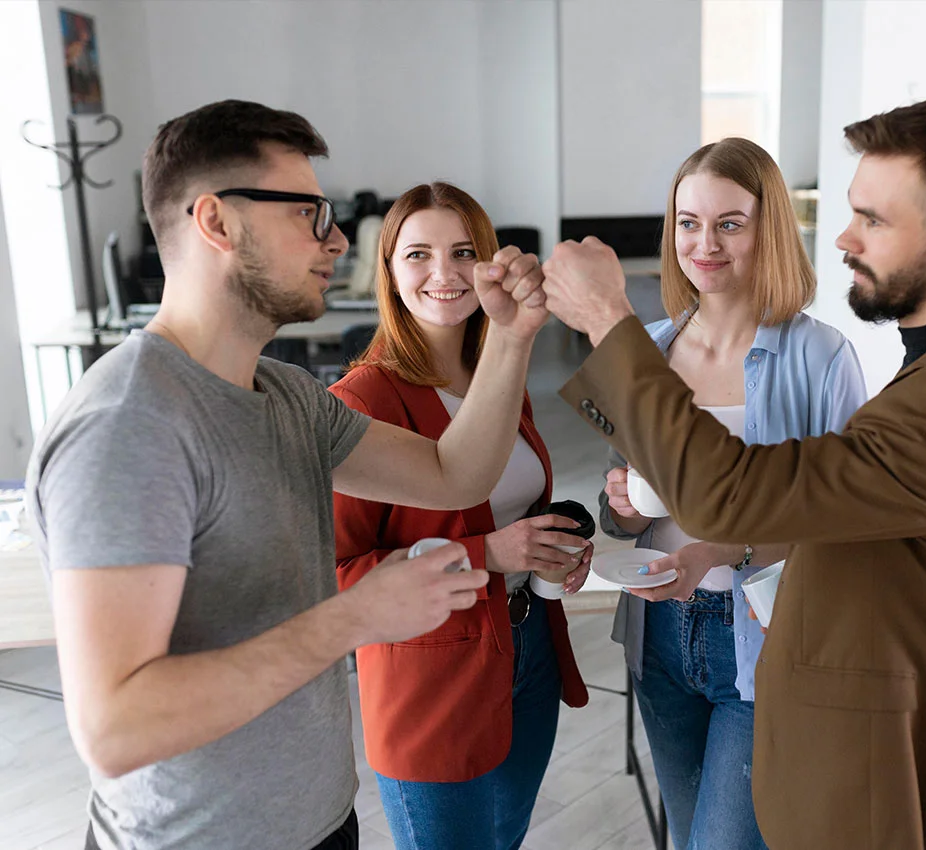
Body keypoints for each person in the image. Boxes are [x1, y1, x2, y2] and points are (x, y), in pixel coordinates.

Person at [541, 93, 926, 849]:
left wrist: (605, 320)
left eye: (873, 219)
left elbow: (730, 495)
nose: (845, 238)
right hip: (857, 732)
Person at [26, 100, 550, 850]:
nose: (335, 239)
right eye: (309, 213)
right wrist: (357, 615)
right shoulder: (129, 425)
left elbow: (454, 473)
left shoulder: (288, 395)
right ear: (216, 222)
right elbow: (115, 729)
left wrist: (510, 336)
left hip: (321, 821)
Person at [597, 138, 867, 849]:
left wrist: (725, 549)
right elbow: (621, 514)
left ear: (767, 228)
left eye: (729, 224)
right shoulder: (647, 350)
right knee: (688, 835)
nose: (704, 244)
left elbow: (850, 523)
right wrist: (619, 504)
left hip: (763, 639)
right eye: (688, 223)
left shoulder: (820, 356)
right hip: (658, 630)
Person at [330, 182, 591, 850]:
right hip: (430, 680)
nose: (443, 273)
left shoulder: (497, 379)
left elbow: (513, 506)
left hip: (527, 650)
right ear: (388, 271)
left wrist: (552, 546)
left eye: (463, 252)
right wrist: (489, 555)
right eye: (418, 254)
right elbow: (333, 576)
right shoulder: (360, 402)